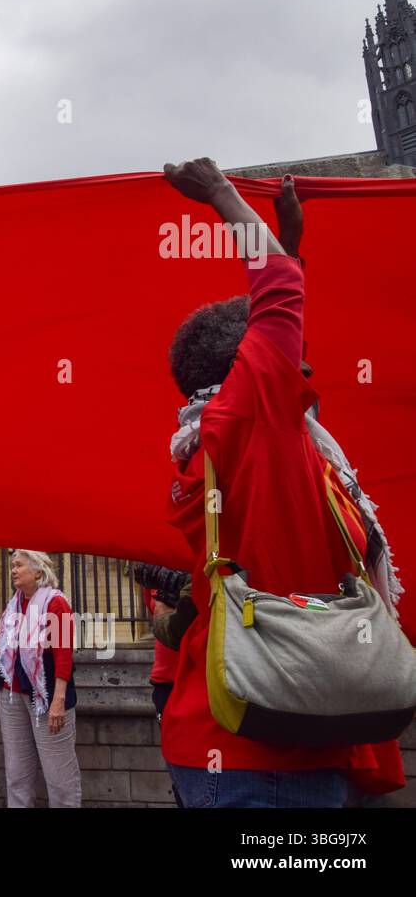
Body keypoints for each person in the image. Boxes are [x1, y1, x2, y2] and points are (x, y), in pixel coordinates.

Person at [159, 158, 405, 807]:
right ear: (252, 371)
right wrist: (220, 194)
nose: (304, 370)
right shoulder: (244, 427)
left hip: (251, 741)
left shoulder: (228, 443)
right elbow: (278, 301)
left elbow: (281, 339)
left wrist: (289, 248)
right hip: (263, 761)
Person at [0, 549, 82, 808]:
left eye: (19, 566)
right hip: (12, 694)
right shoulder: (14, 603)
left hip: (47, 696)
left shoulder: (55, 602)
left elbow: (64, 654)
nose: (13, 571)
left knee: (59, 777)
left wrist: (59, 700)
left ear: (39, 571)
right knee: (17, 773)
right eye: (12, 566)